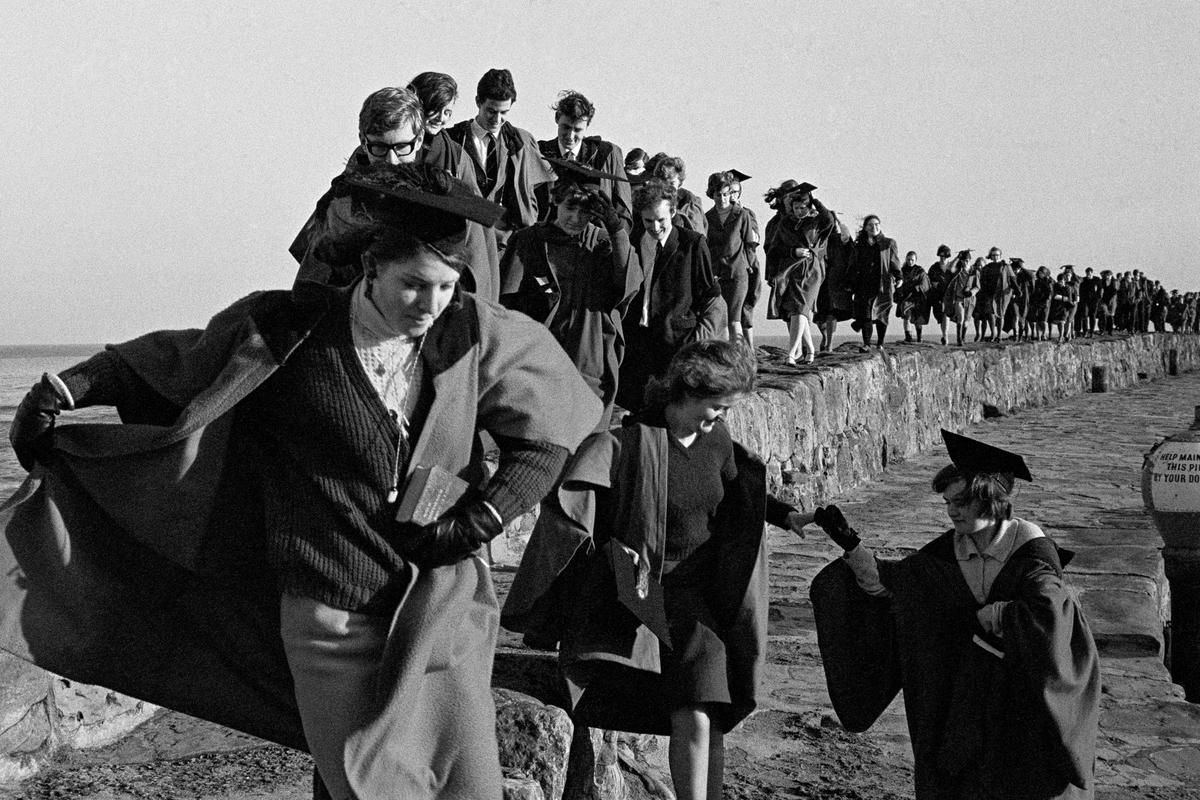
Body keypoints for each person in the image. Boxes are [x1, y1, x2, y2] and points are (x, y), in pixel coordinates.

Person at [3, 165, 604, 800]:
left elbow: (552, 431)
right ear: (370, 270)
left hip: (441, 613)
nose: (431, 305)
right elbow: (172, 363)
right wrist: (64, 389)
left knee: (467, 790)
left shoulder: (473, 333)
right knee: (369, 788)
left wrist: (484, 517)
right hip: (328, 617)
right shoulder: (291, 331)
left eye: (448, 287)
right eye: (414, 286)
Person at [504, 340, 810, 800]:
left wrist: (786, 516)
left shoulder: (718, 442)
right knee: (695, 700)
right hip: (643, 594)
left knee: (710, 701)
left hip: (701, 591)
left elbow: (740, 495)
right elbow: (576, 509)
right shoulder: (627, 445)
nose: (720, 418)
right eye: (715, 407)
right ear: (684, 393)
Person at [808, 429, 1100, 799]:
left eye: (961, 501)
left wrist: (1000, 615)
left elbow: (1051, 619)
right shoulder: (945, 554)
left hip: (1018, 707)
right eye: (947, 502)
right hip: (959, 707)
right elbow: (891, 586)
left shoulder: (1031, 555)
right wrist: (851, 545)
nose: (952, 511)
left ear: (991, 500)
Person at [289, 84, 503, 302]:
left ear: (418, 140)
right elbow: (314, 282)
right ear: (364, 141)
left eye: (402, 147)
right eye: (379, 148)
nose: (391, 160)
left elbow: (478, 281)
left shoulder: (451, 201)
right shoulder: (343, 200)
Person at [500, 158, 639, 429]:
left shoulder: (600, 243)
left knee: (583, 439)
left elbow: (626, 284)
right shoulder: (529, 240)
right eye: (569, 208)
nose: (576, 218)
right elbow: (506, 302)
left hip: (588, 357)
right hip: (540, 357)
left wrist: (616, 230)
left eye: (585, 211)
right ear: (555, 202)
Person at [615, 179, 725, 413]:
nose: (655, 227)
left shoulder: (693, 244)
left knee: (675, 410)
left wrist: (698, 342)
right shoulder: (633, 242)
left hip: (677, 343)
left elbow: (711, 298)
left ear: (673, 212)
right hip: (638, 341)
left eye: (661, 220)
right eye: (648, 221)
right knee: (638, 408)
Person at [446, 68, 556, 254]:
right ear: (478, 102)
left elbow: (545, 191)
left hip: (507, 243)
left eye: (504, 112)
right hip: (463, 238)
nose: (497, 119)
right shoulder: (453, 140)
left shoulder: (521, 142)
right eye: (491, 111)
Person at [536, 90, 633, 232]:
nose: (570, 135)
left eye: (577, 130)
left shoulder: (605, 155)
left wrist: (613, 239)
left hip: (594, 245)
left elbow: (623, 210)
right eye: (566, 127)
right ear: (557, 118)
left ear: (587, 126)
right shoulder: (539, 153)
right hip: (547, 241)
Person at [766, 182, 836, 363]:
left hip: (812, 271)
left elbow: (829, 220)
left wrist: (814, 199)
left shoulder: (816, 221)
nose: (799, 211)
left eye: (802, 207)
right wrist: (792, 252)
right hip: (792, 270)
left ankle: (791, 353)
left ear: (808, 205)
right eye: (796, 208)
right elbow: (773, 249)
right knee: (797, 311)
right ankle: (810, 349)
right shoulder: (784, 223)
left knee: (800, 309)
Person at [704, 171, 759, 345]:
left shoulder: (742, 215)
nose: (723, 199)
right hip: (716, 275)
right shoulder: (707, 217)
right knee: (722, 320)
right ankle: (728, 357)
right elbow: (708, 246)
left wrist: (749, 266)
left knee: (735, 319)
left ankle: (739, 359)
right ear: (712, 195)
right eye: (718, 195)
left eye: (726, 195)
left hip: (737, 273)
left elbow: (750, 243)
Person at [849, 215, 902, 349]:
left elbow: (894, 262)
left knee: (882, 315)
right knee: (866, 314)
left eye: (877, 224)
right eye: (870, 225)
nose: (874, 227)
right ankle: (866, 344)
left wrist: (899, 277)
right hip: (864, 284)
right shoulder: (859, 245)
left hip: (883, 284)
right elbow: (853, 265)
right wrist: (849, 282)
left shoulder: (888, 243)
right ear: (865, 228)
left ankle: (880, 343)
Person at [727, 170, 764, 347]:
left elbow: (754, 240)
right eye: (729, 191)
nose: (731, 195)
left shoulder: (746, 213)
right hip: (725, 268)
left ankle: (749, 351)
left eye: (735, 191)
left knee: (745, 311)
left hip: (745, 265)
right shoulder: (715, 214)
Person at [649, 153, 707, 235]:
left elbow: (699, 236)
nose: (667, 187)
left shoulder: (690, 204)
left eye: (672, 183)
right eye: (664, 182)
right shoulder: (651, 202)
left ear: (679, 181)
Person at [977, 247, 1016, 342]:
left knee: (1001, 314)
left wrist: (1017, 290)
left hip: (1002, 294)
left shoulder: (1006, 266)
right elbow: (982, 280)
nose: (995, 257)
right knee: (991, 314)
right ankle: (993, 334)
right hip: (990, 293)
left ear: (1000, 255)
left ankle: (999, 335)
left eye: (997, 255)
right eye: (993, 255)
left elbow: (1013, 279)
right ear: (991, 256)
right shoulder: (987, 267)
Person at [942, 250, 977, 346]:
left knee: (967, 320)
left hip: (970, 299)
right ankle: (959, 339)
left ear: (970, 260)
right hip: (958, 298)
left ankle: (963, 337)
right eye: (963, 260)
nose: (965, 262)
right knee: (960, 318)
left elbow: (978, 286)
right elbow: (950, 268)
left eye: (967, 260)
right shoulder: (958, 271)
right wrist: (958, 257)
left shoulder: (974, 272)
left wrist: (971, 292)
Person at [895, 250, 931, 343]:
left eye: (912, 260)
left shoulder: (920, 271)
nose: (910, 262)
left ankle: (919, 337)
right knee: (906, 315)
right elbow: (897, 283)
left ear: (915, 260)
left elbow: (925, 284)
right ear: (906, 259)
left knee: (918, 319)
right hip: (906, 298)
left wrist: (917, 288)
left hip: (918, 298)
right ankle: (908, 337)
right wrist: (899, 291)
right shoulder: (901, 271)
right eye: (908, 259)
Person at [926, 245, 953, 345]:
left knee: (946, 313)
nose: (943, 258)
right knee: (940, 316)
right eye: (941, 256)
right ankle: (944, 334)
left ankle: (945, 336)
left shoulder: (952, 267)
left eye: (945, 256)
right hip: (937, 294)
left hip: (949, 295)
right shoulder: (934, 268)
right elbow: (929, 280)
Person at [1029, 265, 1055, 341]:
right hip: (1036, 303)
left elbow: (1050, 293)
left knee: (1043, 320)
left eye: (1042, 273)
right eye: (1040, 272)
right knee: (1037, 320)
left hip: (1045, 304)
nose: (1041, 274)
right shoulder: (1036, 281)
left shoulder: (1048, 282)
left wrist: (1045, 301)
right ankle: (1038, 336)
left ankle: (1044, 334)